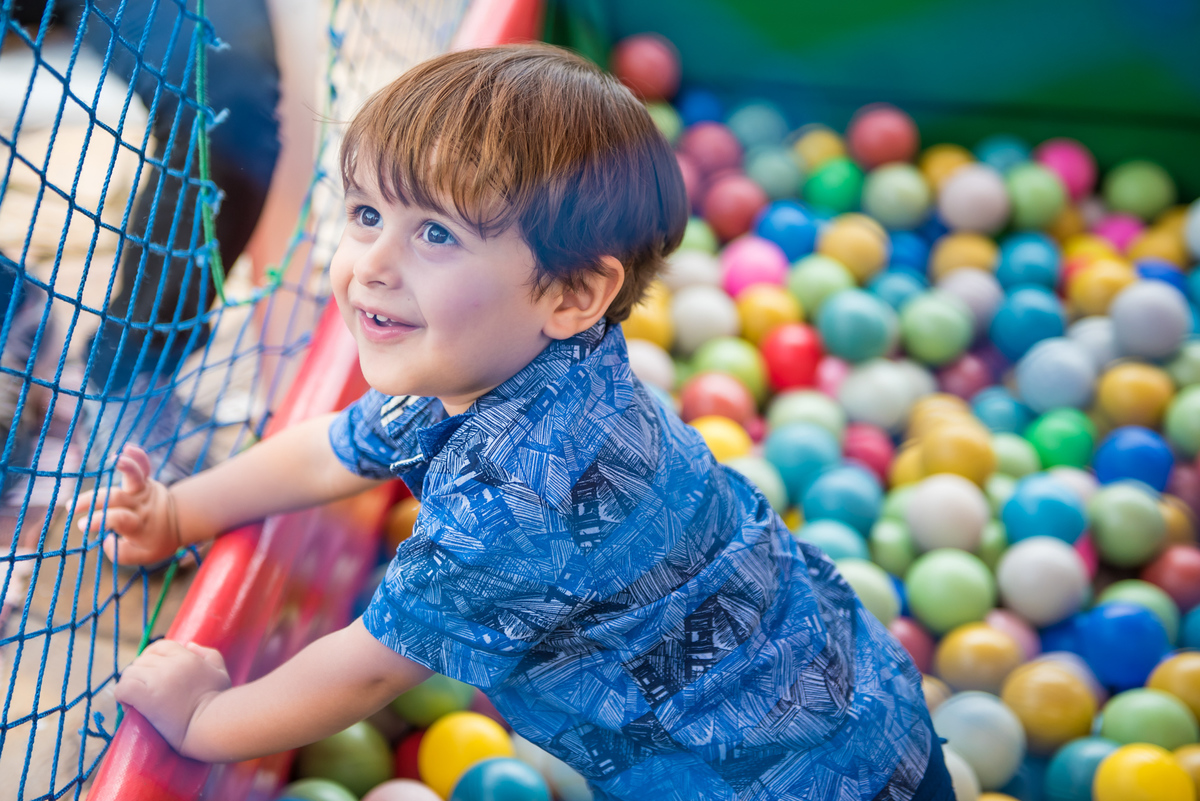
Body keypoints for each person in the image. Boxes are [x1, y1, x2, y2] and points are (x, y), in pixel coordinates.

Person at [75, 45, 953, 800]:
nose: (371, 265)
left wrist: (201, 718)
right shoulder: (506, 365)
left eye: (437, 237)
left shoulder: (518, 492)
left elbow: (369, 668)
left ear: (574, 293)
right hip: (862, 698)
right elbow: (335, 448)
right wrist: (182, 514)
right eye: (368, 214)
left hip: (780, 777)